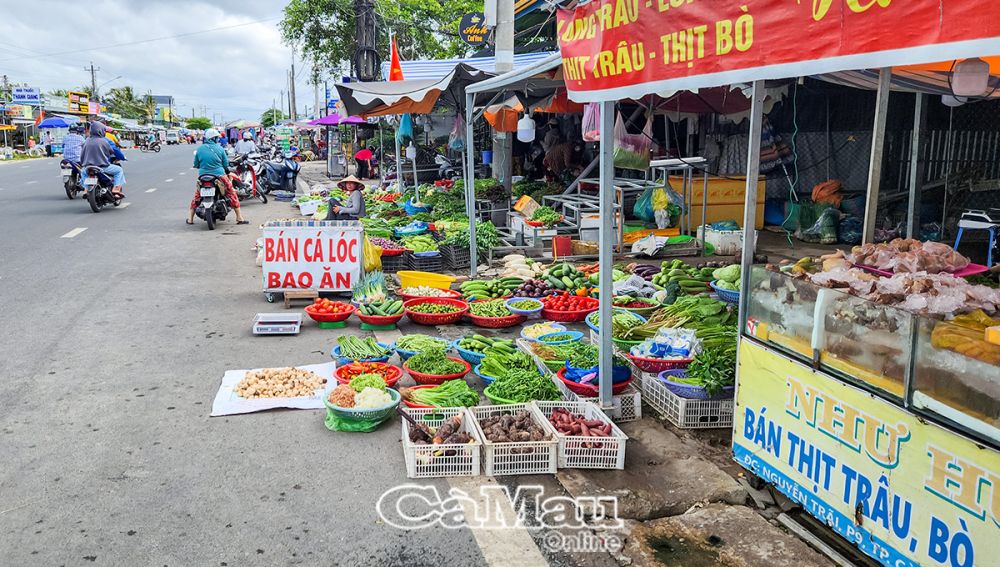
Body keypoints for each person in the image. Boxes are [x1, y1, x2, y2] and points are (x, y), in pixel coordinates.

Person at [187, 128, 246, 225]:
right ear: (213, 138)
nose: (217, 139)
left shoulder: (200, 149)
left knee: (197, 196)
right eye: (216, 138)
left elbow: (196, 164)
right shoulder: (220, 149)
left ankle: (190, 219)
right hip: (219, 175)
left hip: (203, 176)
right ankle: (239, 217)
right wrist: (226, 170)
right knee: (231, 193)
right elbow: (225, 163)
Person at [80, 121, 125, 197]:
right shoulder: (104, 141)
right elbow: (110, 151)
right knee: (119, 170)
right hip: (102, 167)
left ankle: (86, 189)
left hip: (88, 167)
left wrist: (83, 164)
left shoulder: (86, 141)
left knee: (83, 173)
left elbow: (82, 155)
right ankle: (116, 188)